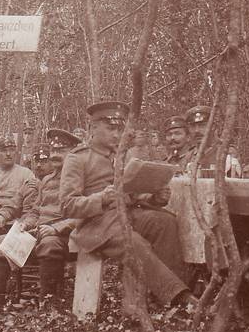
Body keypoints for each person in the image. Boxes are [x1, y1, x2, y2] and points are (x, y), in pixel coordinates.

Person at [60, 101, 196, 310]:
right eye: (110, 128)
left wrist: (152, 198)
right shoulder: (77, 158)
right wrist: (100, 199)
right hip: (96, 226)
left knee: (166, 222)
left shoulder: (121, 157)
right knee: (134, 242)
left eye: (119, 129)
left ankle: (166, 297)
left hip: (127, 215)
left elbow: (128, 194)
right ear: (93, 128)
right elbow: (68, 206)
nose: (116, 135)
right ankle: (179, 297)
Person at [0, 129, 83, 317]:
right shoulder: (47, 181)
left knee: (49, 245)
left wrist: (56, 228)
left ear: (73, 153)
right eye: (54, 151)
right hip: (39, 233)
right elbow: (36, 211)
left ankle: (49, 304)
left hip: (68, 237)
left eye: (62, 151)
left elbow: (85, 214)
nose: (56, 156)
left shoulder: (82, 179)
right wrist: (25, 224)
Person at [0, 134, 36, 244]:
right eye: (4, 151)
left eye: (12, 150)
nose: (8, 154)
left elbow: (29, 201)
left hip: (16, 218)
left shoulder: (25, 173)